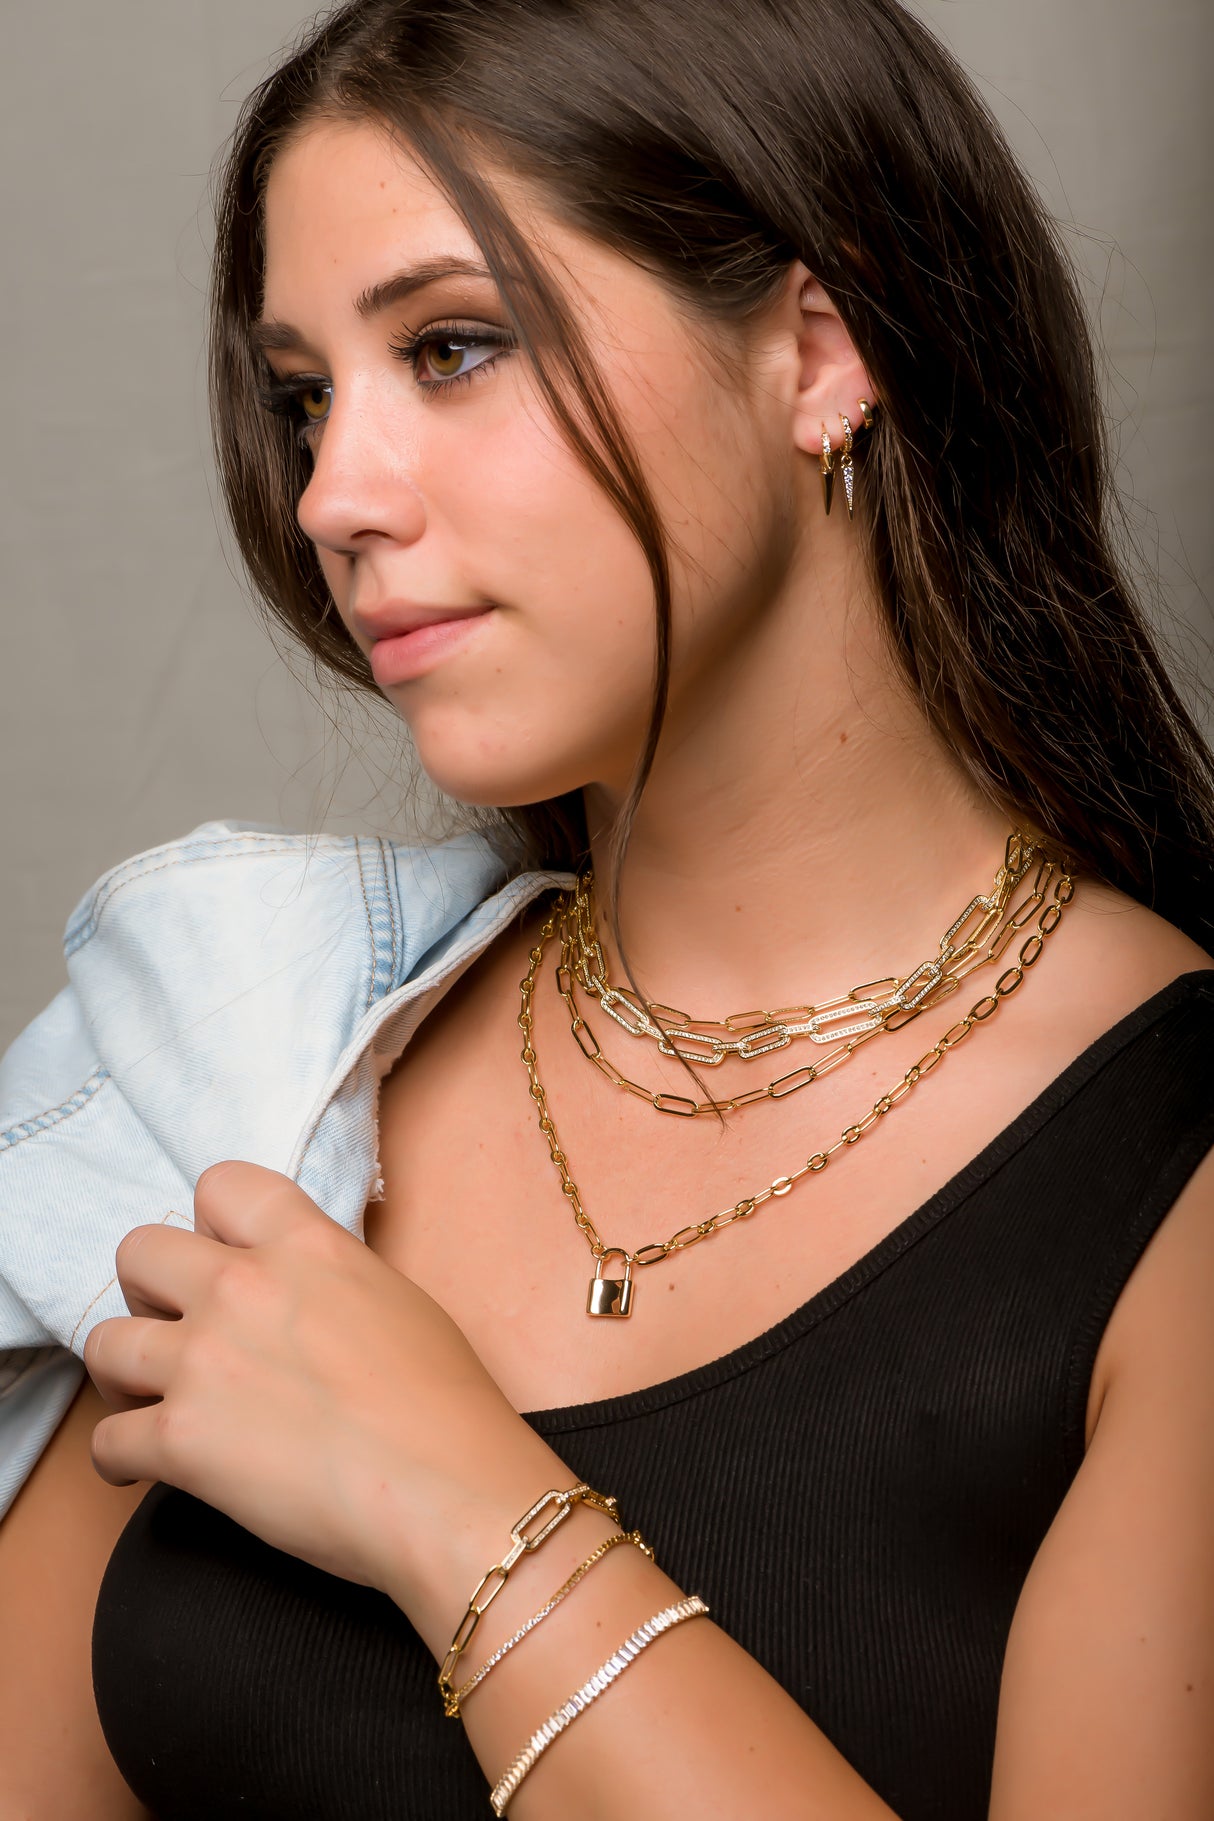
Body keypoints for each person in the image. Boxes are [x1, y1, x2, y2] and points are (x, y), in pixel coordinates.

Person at [1, 0, 1212, 1815]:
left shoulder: (1173, 1175)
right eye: (303, 395)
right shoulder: (255, 1057)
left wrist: (458, 1503)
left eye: (456, 347)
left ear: (817, 350)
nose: (333, 494)